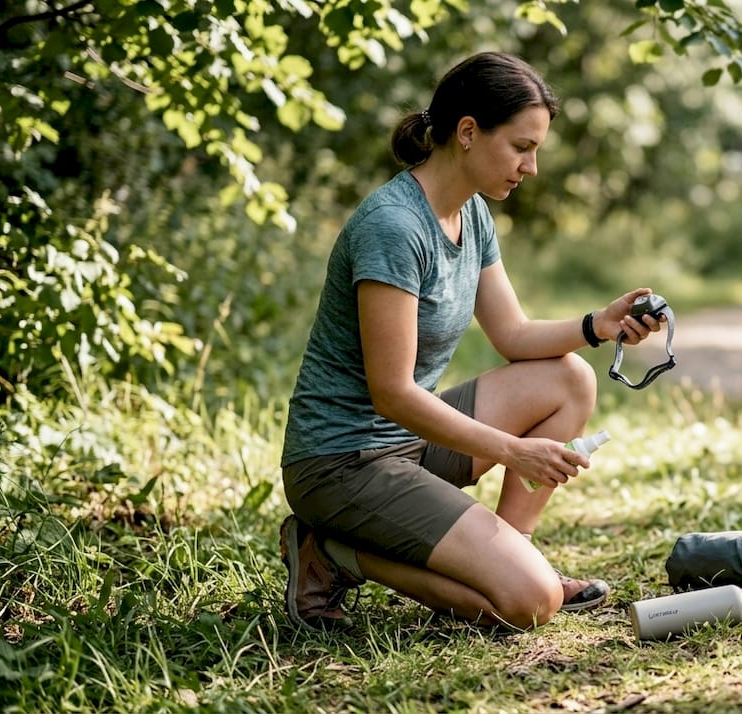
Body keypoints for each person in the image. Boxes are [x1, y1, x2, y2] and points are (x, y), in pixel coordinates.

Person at [278, 51, 665, 633]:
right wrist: (514, 450)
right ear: (466, 133)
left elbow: (513, 334)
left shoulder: (473, 214)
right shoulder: (394, 227)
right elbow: (393, 394)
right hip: (341, 464)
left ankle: (514, 552)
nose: (531, 167)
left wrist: (598, 326)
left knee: (568, 378)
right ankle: (330, 551)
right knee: (530, 605)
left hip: (407, 447)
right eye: (521, 147)